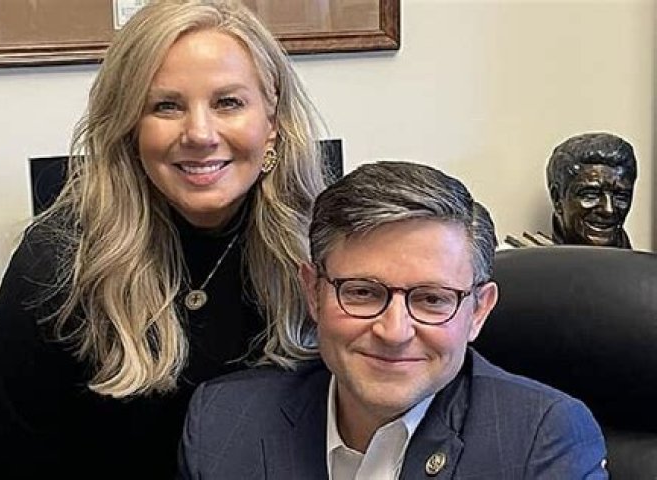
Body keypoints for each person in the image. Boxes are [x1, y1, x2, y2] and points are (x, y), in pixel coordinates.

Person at [0, 0, 326, 478]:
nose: (200, 133)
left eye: (228, 102)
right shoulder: (59, 263)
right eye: (166, 106)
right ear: (129, 128)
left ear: (273, 122)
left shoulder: (320, 247)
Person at [179, 161, 608, 479]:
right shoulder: (224, 421)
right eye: (362, 292)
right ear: (313, 292)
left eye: (432, 299)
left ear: (478, 310)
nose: (394, 331)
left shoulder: (541, 438)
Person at [505, 132, 637, 248]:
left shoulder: (643, 266)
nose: (609, 210)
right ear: (557, 198)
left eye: (621, 196)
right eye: (591, 194)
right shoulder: (518, 263)